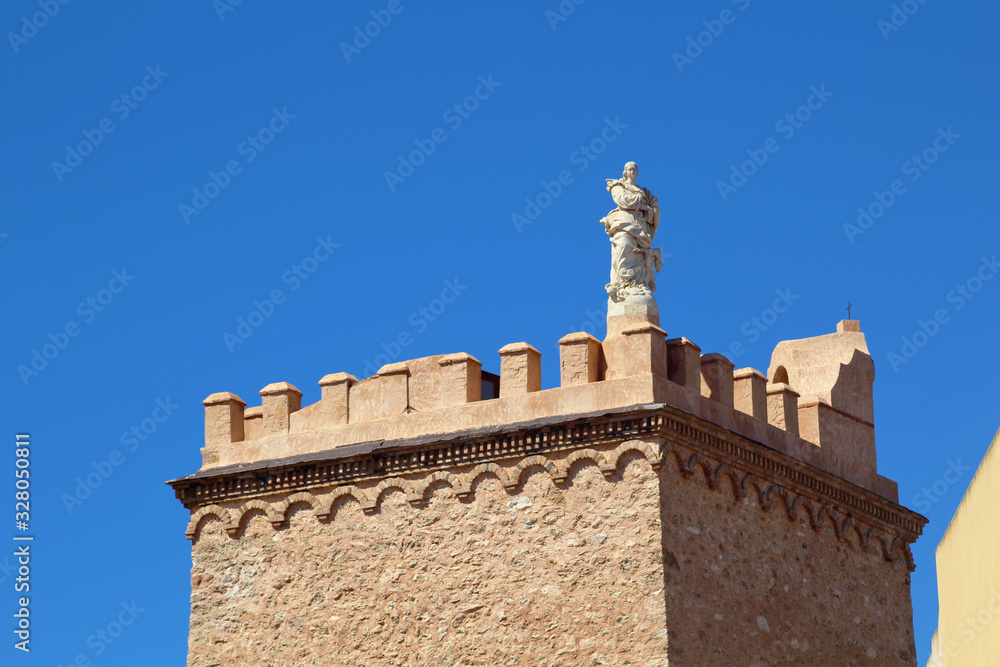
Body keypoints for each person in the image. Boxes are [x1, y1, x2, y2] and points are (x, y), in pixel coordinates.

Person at [601, 162, 663, 301]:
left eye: (635, 168)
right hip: (623, 224)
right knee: (623, 246)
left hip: (641, 228)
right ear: (625, 172)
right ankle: (623, 284)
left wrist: (649, 210)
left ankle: (637, 284)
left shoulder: (646, 192)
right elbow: (623, 200)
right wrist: (642, 204)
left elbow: (655, 208)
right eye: (630, 169)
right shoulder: (618, 186)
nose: (632, 171)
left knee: (640, 256)